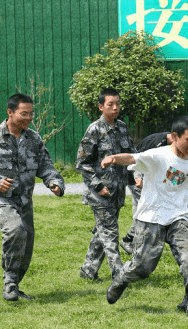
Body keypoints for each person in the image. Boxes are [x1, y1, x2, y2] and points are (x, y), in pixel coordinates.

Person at [0, 93, 65, 301]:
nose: (29, 118)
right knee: (15, 229)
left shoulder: (34, 139)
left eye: (31, 114)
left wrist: (55, 182)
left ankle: (14, 286)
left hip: (25, 201)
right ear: (10, 112)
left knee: (26, 244)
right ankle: (10, 283)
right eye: (24, 114)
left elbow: (45, 166)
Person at [103, 116, 188, 315]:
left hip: (178, 218)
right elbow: (133, 158)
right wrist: (114, 158)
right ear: (175, 137)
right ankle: (121, 279)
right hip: (151, 217)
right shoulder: (158, 155)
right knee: (143, 268)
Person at [77, 88, 135, 281]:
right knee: (110, 232)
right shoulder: (94, 129)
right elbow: (82, 163)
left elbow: (130, 156)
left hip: (117, 192)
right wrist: (97, 186)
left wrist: (136, 178)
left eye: (118, 103)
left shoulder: (123, 128)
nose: (115, 107)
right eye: (110, 104)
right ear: (101, 106)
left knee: (103, 231)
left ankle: (88, 270)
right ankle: (119, 274)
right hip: (100, 193)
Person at [121, 131, 172, 254]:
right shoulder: (156, 142)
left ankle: (133, 241)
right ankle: (130, 240)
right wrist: (138, 176)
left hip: (148, 178)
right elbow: (138, 158)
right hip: (135, 176)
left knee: (141, 210)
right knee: (147, 210)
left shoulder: (172, 146)